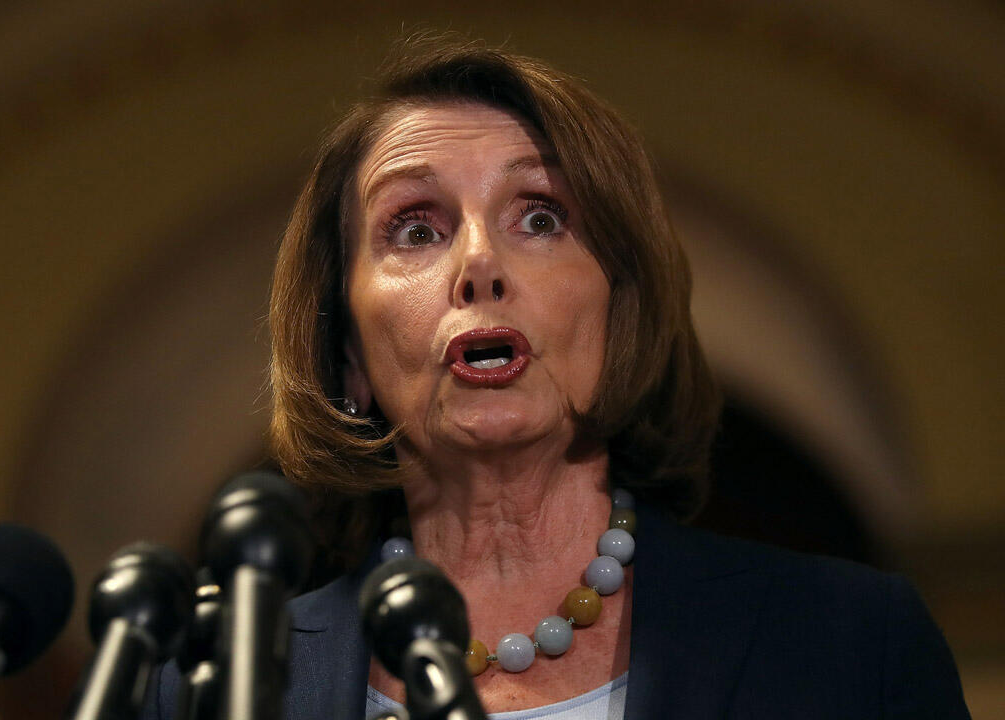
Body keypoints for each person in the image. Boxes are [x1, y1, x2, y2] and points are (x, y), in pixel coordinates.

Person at [142, 35, 970, 719]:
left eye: (540, 216)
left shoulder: (851, 646)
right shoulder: (209, 692)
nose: (479, 262)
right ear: (350, 354)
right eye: (415, 229)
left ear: (620, 311)